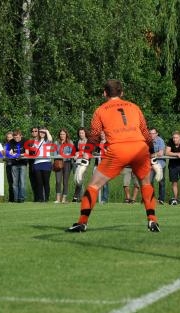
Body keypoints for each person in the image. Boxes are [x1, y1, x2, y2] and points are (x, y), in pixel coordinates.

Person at [66, 80, 160, 233]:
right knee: (146, 183)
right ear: (122, 93)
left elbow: (95, 137)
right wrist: (152, 155)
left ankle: (82, 222)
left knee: (94, 185)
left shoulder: (100, 110)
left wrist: (84, 160)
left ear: (104, 93)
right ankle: (152, 221)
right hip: (140, 148)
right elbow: (146, 133)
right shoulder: (134, 107)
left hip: (118, 150)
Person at [166, 131, 180, 205]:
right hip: (172, 165)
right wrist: (177, 154)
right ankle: (175, 199)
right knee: (174, 182)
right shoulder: (170, 142)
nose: (174, 139)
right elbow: (167, 152)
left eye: (176, 138)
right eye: (173, 138)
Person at [32, 127, 53, 202]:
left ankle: (46, 199)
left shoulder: (47, 140)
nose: (41, 133)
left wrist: (46, 131)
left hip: (46, 163)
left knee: (46, 182)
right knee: (39, 182)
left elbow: (50, 138)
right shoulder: (36, 141)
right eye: (40, 132)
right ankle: (40, 198)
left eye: (43, 132)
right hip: (37, 163)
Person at [7, 130, 28, 203]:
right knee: (14, 183)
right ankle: (15, 199)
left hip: (23, 164)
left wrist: (19, 155)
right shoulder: (11, 142)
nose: (16, 139)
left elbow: (27, 153)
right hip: (14, 164)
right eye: (15, 137)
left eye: (17, 137)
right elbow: (9, 152)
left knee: (22, 182)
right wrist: (12, 154)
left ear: (21, 136)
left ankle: (21, 199)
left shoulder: (25, 141)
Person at [54, 128, 74, 203]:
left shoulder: (70, 142)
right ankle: (58, 198)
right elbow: (55, 153)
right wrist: (59, 156)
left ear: (66, 135)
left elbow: (72, 153)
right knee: (58, 181)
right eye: (61, 134)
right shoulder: (56, 142)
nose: (62, 135)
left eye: (63, 134)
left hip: (67, 163)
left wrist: (64, 155)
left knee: (65, 181)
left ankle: (64, 198)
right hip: (58, 163)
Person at [72, 127, 91, 202]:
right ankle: (78, 197)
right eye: (80, 133)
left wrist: (80, 153)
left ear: (85, 133)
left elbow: (88, 152)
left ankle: (78, 197)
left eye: (82, 133)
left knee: (79, 178)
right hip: (77, 162)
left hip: (84, 162)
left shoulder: (89, 142)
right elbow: (74, 152)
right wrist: (75, 153)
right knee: (76, 180)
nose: (81, 134)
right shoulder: (76, 142)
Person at [149, 128, 166, 204]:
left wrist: (152, 155)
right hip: (151, 164)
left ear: (156, 134)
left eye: (153, 133)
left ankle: (161, 199)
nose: (151, 135)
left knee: (161, 182)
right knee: (149, 181)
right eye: (150, 133)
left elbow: (161, 153)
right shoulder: (148, 141)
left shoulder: (160, 141)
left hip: (160, 164)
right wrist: (155, 154)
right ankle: (152, 198)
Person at [27, 126, 39, 201]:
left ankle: (41, 197)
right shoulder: (29, 142)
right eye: (33, 131)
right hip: (31, 164)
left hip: (39, 163)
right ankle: (35, 198)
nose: (34, 132)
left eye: (36, 131)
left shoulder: (42, 141)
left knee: (39, 182)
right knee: (33, 181)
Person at [4, 131, 15, 202]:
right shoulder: (5, 146)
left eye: (11, 137)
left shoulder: (16, 145)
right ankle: (11, 199)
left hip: (15, 165)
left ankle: (17, 197)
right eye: (8, 137)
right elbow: (3, 157)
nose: (9, 139)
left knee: (16, 182)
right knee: (10, 183)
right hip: (8, 165)